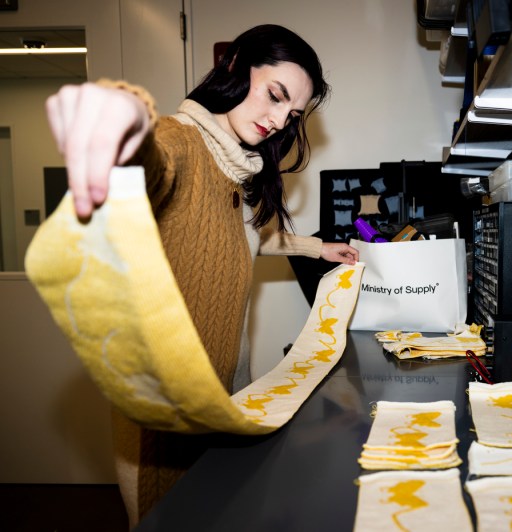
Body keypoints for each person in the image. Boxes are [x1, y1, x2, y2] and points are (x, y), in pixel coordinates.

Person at [45, 24, 359, 524]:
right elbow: (146, 167)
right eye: (275, 96)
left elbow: (248, 235)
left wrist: (319, 248)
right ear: (235, 67)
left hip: (223, 388)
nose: (279, 120)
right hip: (167, 409)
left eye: (292, 114)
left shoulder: (235, 166)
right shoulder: (179, 141)